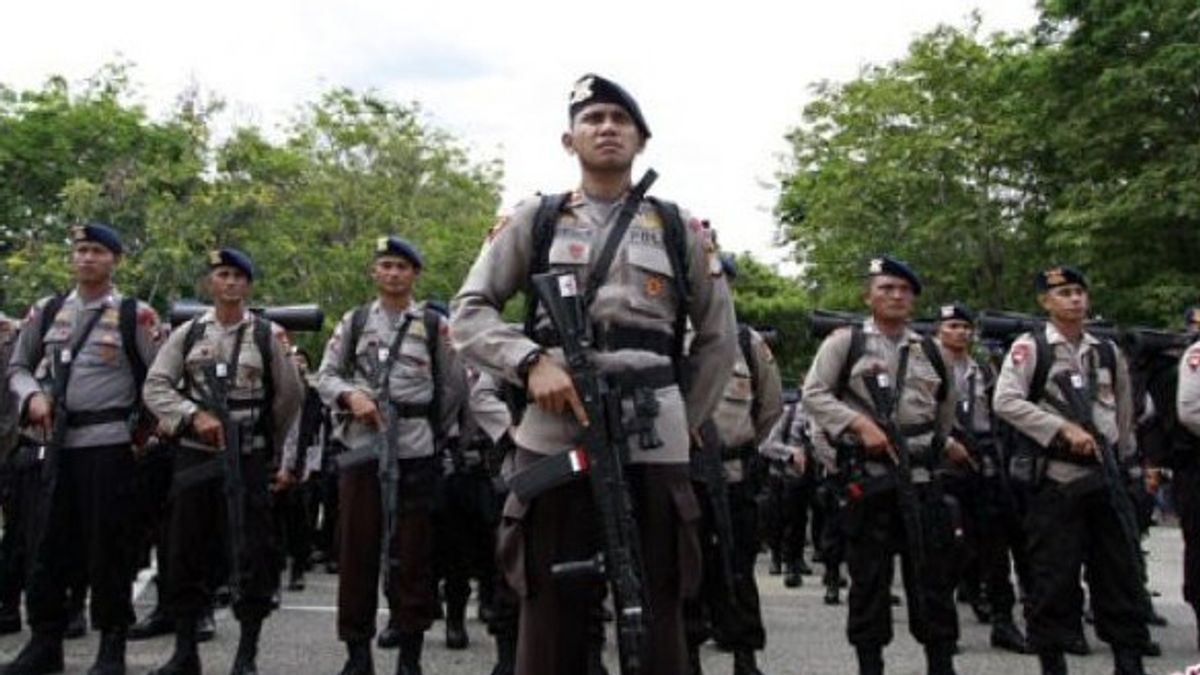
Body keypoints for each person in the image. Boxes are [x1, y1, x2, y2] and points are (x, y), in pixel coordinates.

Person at [450, 73, 737, 674]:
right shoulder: (537, 219)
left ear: (641, 139)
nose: (607, 128)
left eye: (620, 120)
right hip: (555, 431)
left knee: (660, 605)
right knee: (548, 609)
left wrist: (682, 417)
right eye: (594, 119)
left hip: (653, 433)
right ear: (569, 139)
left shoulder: (681, 227)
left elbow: (717, 341)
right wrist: (529, 363)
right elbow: (468, 312)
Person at [4, 224, 163, 675]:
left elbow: (158, 381)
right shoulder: (48, 310)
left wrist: (143, 439)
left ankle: (111, 644)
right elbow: (18, 367)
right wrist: (32, 395)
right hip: (53, 446)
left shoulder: (136, 315)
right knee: (47, 546)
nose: (87, 258)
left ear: (115, 260)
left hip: (109, 445)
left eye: (97, 251)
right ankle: (45, 641)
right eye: (81, 250)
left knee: (108, 548)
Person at [142, 248, 302, 675]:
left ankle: (246, 654)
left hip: (246, 456)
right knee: (184, 552)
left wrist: (264, 443)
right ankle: (184, 651)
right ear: (210, 283)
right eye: (222, 275)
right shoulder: (189, 333)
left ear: (248, 285)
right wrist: (193, 416)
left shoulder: (267, 335)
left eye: (237, 276)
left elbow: (290, 396)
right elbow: (156, 386)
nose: (229, 282)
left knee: (251, 554)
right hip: (196, 459)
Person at [801, 256, 965, 675]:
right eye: (886, 288)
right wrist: (857, 424)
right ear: (868, 296)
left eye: (904, 290)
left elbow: (944, 411)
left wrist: (931, 446)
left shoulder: (931, 350)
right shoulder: (845, 343)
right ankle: (870, 665)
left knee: (933, 583)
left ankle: (940, 664)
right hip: (869, 483)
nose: (895, 296)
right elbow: (814, 395)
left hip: (923, 481)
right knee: (870, 584)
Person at [316, 236, 465, 675]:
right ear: (374, 273)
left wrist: (430, 433)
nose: (394, 273)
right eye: (386, 265)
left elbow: (454, 387)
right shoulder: (356, 320)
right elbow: (324, 376)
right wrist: (349, 397)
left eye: (402, 266)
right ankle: (357, 654)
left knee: (413, 555)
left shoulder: (435, 326)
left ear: (414, 274)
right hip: (363, 450)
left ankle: (410, 656)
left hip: (415, 452)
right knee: (357, 552)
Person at [992, 265, 1149, 675]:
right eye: (1063, 293)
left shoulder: (1106, 351)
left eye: (1079, 291)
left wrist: (1129, 461)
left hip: (1106, 477)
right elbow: (1005, 401)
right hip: (1057, 480)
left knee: (1120, 576)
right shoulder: (1031, 349)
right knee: (1054, 580)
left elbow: (1125, 409)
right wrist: (1059, 429)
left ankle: (1128, 660)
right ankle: (1052, 661)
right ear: (1045, 301)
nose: (1074, 299)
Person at [685, 252, 783, 675]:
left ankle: (745, 656)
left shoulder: (748, 343)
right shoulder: (671, 338)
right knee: (682, 569)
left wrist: (739, 447)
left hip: (734, 474)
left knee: (737, 567)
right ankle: (686, 657)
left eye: (722, 281)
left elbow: (770, 408)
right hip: (682, 475)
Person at [934, 303, 1030, 654]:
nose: (960, 332)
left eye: (965, 327)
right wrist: (946, 443)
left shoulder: (983, 369)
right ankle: (945, 630)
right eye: (952, 326)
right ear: (938, 331)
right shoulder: (924, 366)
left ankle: (1003, 622)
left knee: (995, 544)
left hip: (984, 458)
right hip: (943, 463)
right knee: (949, 547)